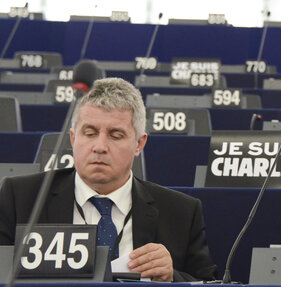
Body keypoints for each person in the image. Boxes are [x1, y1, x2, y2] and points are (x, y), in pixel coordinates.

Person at [0, 77, 217, 281]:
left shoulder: (181, 212)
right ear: (73, 139)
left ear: (139, 144)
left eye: (115, 135)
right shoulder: (21, 198)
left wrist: (172, 277)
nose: (100, 147)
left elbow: (210, 282)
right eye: (90, 133)